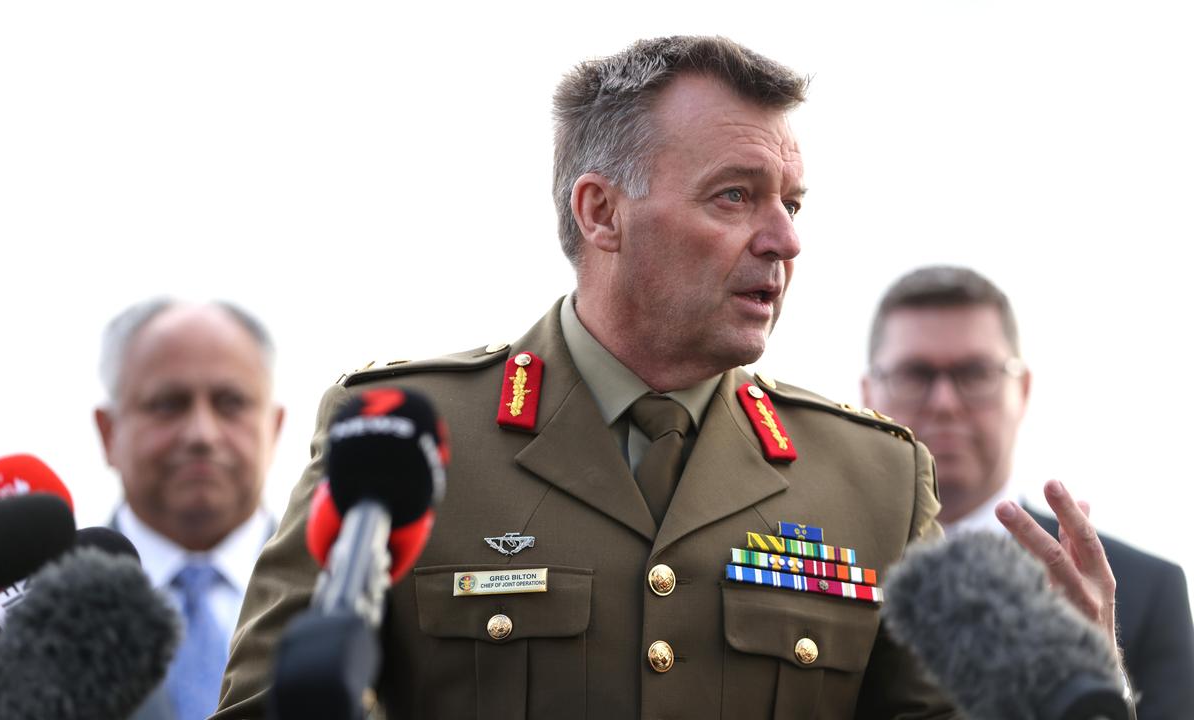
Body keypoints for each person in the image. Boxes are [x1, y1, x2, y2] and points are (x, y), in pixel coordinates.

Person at [215, 37, 1116, 719]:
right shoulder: (406, 436)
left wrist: (1075, 686)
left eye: (791, 203)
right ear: (601, 212)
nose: (785, 240)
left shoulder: (873, 476)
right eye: (736, 196)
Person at [862, 265, 1194, 718]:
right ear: (867, 393)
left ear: (1023, 390)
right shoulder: (829, 563)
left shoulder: (1145, 591)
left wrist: (1097, 681)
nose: (944, 402)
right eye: (915, 374)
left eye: (974, 372)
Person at [95, 298, 284, 720]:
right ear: (108, 433)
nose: (202, 433)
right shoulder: (1, 617)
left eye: (230, 402)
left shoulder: (351, 596)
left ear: (275, 427)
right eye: (168, 403)